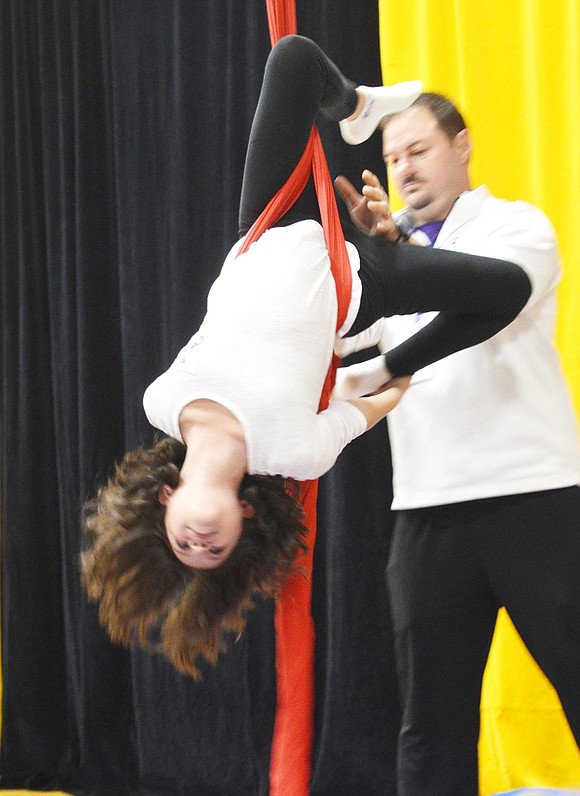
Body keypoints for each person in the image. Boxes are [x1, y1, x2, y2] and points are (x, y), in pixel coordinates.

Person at [81, 39, 531, 681]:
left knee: (292, 57)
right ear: (242, 519)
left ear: (165, 497)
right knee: (508, 288)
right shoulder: (294, 452)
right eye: (213, 552)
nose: (200, 544)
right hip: (362, 283)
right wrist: (382, 365)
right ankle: (378, 282)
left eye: (184, 542)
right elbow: (375, 403)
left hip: (268, 225)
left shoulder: (164, 403)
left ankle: (356, 106)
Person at [335, 92, 580, 795]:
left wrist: (400, 258)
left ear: (462, 145)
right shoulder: (383, 259)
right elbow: (347, 362)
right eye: (391, 158)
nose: (404, 168)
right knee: (430, 727)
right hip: (426, 507)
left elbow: (480, 303)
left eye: (418, 149)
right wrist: (376, 264)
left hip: (534, 497)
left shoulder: (516, 227)